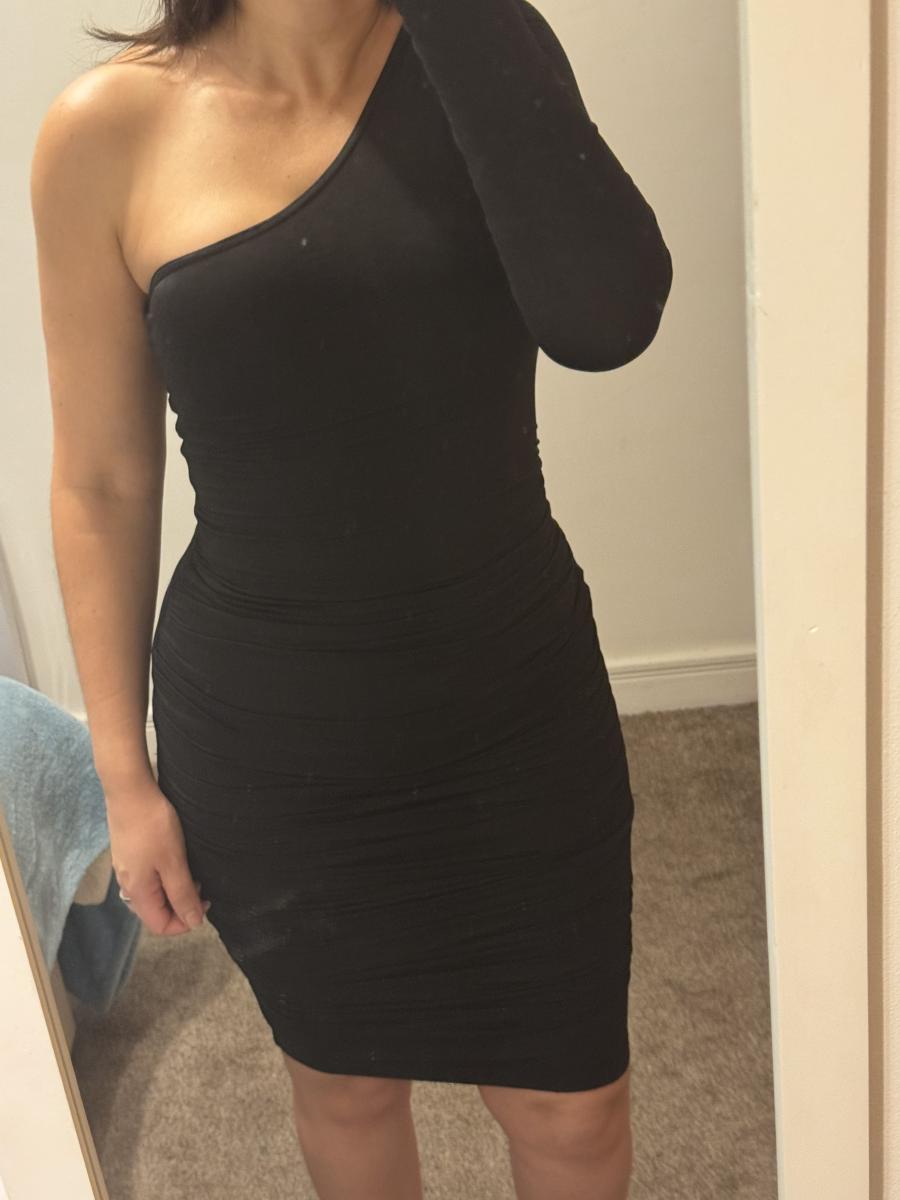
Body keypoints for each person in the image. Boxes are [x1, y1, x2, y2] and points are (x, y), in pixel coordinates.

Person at [30, 0, 672, 1196]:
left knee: (574, 1109)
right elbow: (101, 482)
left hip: (516, 698)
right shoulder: (105, 130)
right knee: (345, 1087)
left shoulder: (480, 44)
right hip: (278, 736)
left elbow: (606, 317)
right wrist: (124, 775)